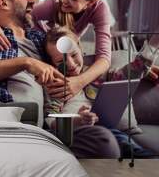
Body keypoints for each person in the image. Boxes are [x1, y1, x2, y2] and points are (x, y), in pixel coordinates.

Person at [0, 0, 120, 158]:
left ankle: (32, 158)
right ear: (3, 3)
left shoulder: (40, 40)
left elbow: (73, 57)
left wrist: (139, 68)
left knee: (103, 141)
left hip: (39, 132)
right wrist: (25, 62)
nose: (32, 0)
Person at [0, 0, 113, 102]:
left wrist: (79, 82)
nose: (63, 0)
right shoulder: (54, 3)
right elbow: (16, 15)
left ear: (91, 2)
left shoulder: (99, 9)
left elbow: (104, 58)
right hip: (43, 51)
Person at [44, 25, 157, 157]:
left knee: (131, 148)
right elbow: (50, 121)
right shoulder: (55, 85)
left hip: (109, 130)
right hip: (78, 135)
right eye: (60, 61)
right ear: (52, 64)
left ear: (80, 49)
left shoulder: (99, 75)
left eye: (74, 55)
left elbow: (131, 72)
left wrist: (153, 44)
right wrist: (77, 120)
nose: (70, 64)